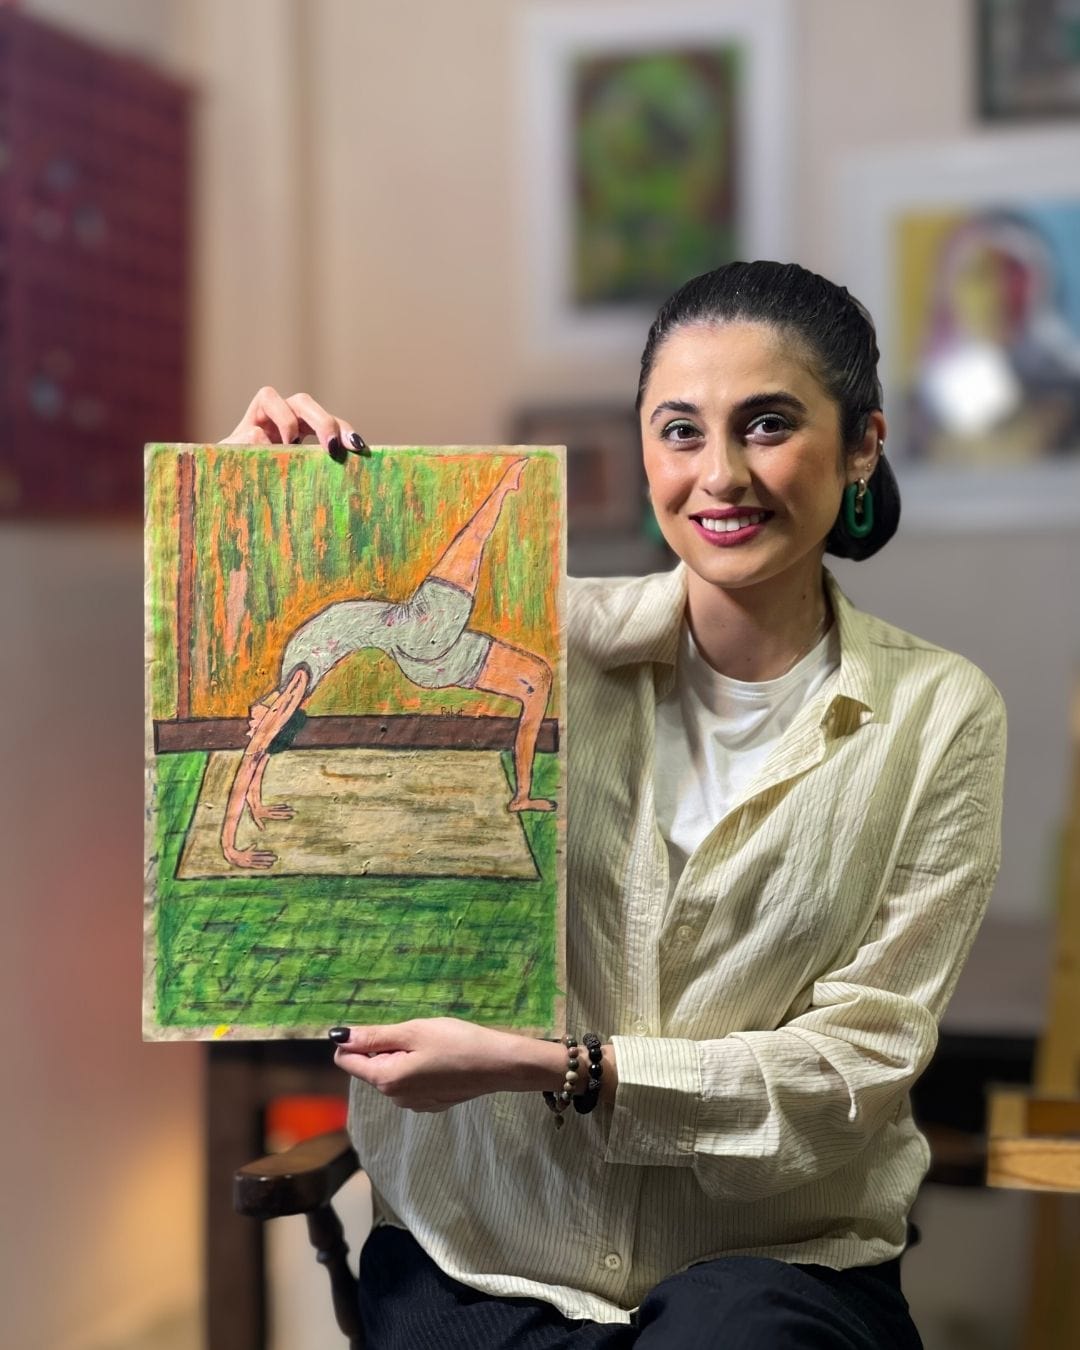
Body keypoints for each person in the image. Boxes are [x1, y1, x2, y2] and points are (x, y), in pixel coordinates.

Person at [221, 262, 1006, 1348]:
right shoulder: (541, 641)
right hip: (483, 1250)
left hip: (770, 1263)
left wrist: (564, 1068)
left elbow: (858, 1064)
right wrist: (238, 513)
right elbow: (307, 900)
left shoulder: (939, 716)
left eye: (767, 424)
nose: (720, 475)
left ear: (863, 444)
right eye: (680, 430)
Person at [216, 452, 554, 870]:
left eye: (255, 725)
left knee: (537, 680)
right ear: (280, 718)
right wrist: (231, 848)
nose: (251, 725)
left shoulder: (288, 680)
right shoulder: (295, 688)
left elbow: (260, 751)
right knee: (473, 540)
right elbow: (254, 754)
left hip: (424, 661)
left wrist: (259, 803)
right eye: (262, 725)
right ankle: (505, 486)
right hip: (420, 628)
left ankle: (522, 794)